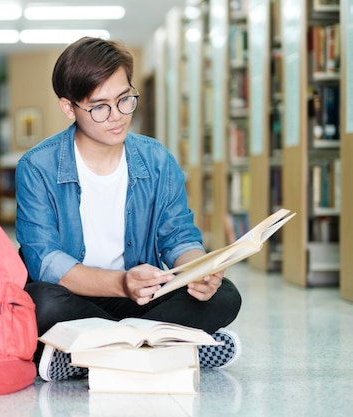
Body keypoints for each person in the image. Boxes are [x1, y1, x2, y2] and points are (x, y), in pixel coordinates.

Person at [15, 37, 243, 382]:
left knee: (225, 295)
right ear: (68, 107)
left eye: (125, 100)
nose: (117, 117)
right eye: (100, 107)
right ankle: (174, 345)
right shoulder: (37, 166)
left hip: (142, 297)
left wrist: (199, 271)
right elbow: (45, 261)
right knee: (41, 302)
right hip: (78, 297)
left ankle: (88, 354)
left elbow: (179, 236)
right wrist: (122, 283)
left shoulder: (157, 159)